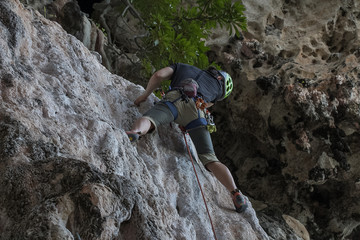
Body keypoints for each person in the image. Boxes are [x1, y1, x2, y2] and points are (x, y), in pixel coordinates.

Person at [126, 63, 248, 213]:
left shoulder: (183, 67)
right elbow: (205, 106)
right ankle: (235, 193)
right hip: (198, 112)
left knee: (150, 119)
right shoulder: (215, 90)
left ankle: (135, 132)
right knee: (211, 159)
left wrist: (144, 96)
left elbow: (159, 75)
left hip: (174, 101)